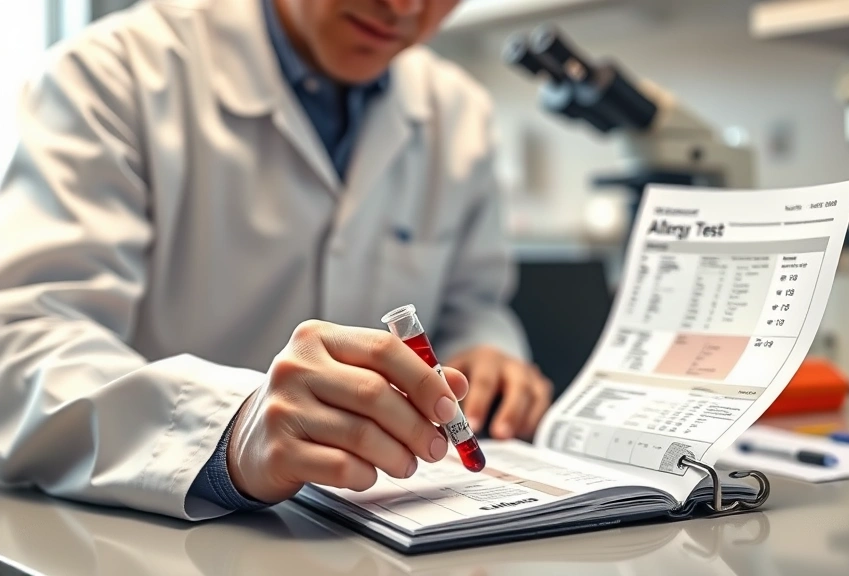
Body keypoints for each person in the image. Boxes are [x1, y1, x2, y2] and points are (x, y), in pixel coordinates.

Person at [0, 0, 553, 520]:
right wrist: (228, 431)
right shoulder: (109, 76)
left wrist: (487, 353)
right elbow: (24, 346)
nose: (405, 8)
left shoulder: (459, 112)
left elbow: (473, 303)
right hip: (164, 541)